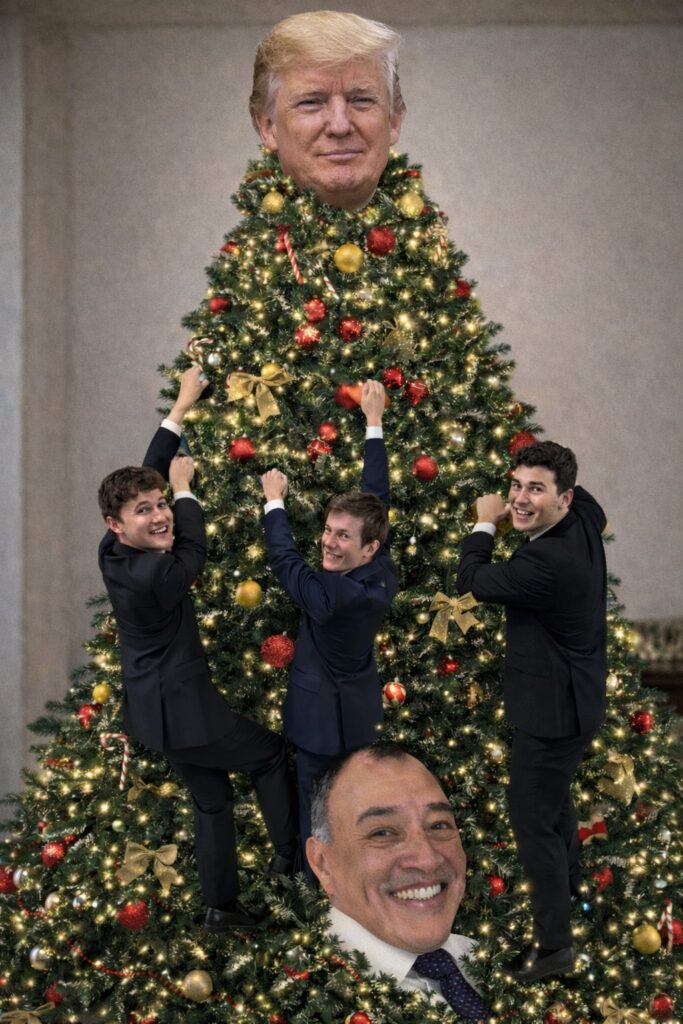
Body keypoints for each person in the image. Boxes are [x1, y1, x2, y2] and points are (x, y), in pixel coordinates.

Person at [98, 365, 298, 932]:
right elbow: (194, 552)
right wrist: (184, 491)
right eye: (145, 511)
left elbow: (144, 478)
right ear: (117, 525)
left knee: (212, 801)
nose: (159, 514)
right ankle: (292, 861)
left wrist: (182, 406)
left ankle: (220, 909)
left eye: (160, 503)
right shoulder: (156, 573)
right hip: (185, 713)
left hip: (153, 715)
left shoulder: (112, 551)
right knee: (266, 754)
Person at [455, 441, 607, 982]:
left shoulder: (544, 562)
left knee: (532, 821)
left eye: (535, 490)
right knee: (554, 803)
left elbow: (471, 581)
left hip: (552, 714)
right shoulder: (584, 518)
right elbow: (588, 500)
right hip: (577, 699)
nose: (519, 499)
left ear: (564, 497)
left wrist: (484, 522)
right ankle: (574, 893)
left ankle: (553, 949)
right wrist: (540, 474)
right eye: (516, 485)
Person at [260, 380, 398, 869]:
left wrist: (273, 501)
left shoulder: (330, 596)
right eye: (328, 530)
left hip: (319, 726)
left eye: (341, 537)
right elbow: (376, 497)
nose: (328, 542)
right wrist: (373, 425)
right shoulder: (380, 565)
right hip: (359, 717)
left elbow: (284, 560)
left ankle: (313, 885)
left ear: (366, 548)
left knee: (317, 816)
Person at [306, 743, 491, 1022]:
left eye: (439, 825)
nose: (428, 859)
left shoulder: (481, 959)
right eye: (382, 833)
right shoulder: (297, 999)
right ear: (322, 864)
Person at [250, 11, 405, 210]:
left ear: (394, 120)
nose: (340, 126)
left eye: (361, 100)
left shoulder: (432, 228)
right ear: (267, 127)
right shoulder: (243, 236)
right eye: (310, 103)